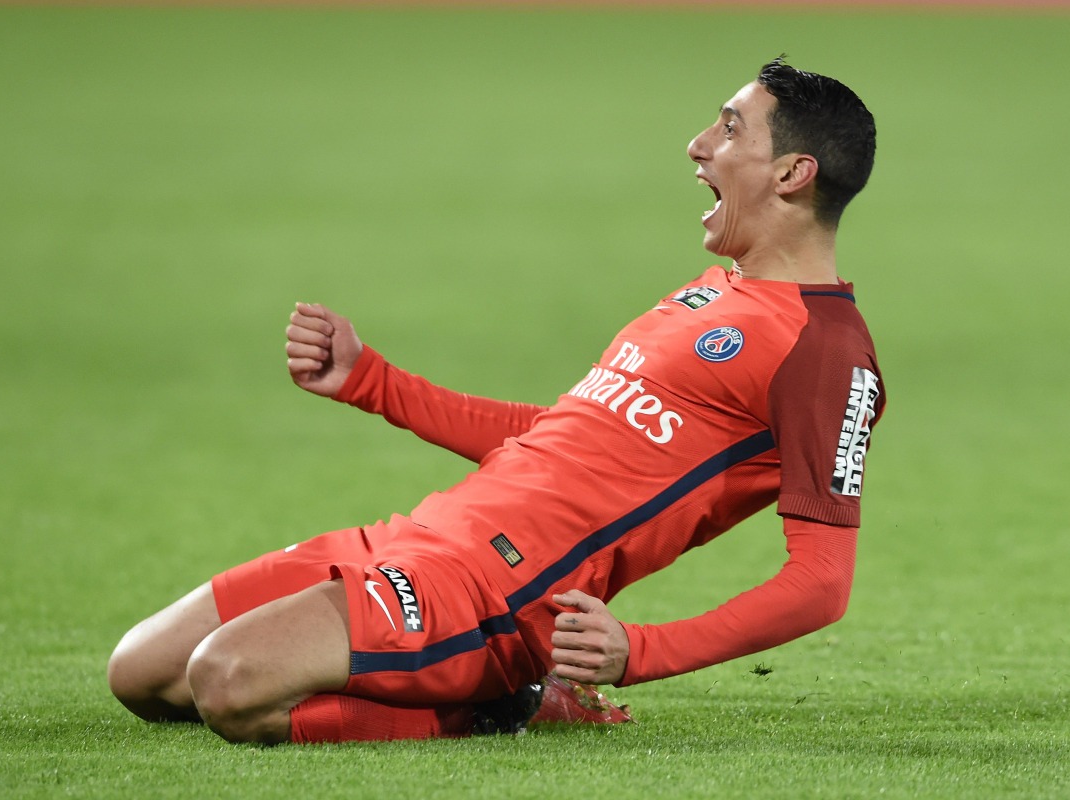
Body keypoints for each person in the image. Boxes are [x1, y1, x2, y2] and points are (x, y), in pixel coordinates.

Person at [107, 56, 884, 745]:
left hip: (496, 592)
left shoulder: (824, 349)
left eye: (729, 128)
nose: (698, 144)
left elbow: (821, 581)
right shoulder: (712, 294)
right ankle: (464, 685)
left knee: (229, 683)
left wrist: (642, 651)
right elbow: (561, 436)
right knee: (140, 675)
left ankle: (508, 702)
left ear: (792, 174)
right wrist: (371, 382)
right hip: (420, 536)